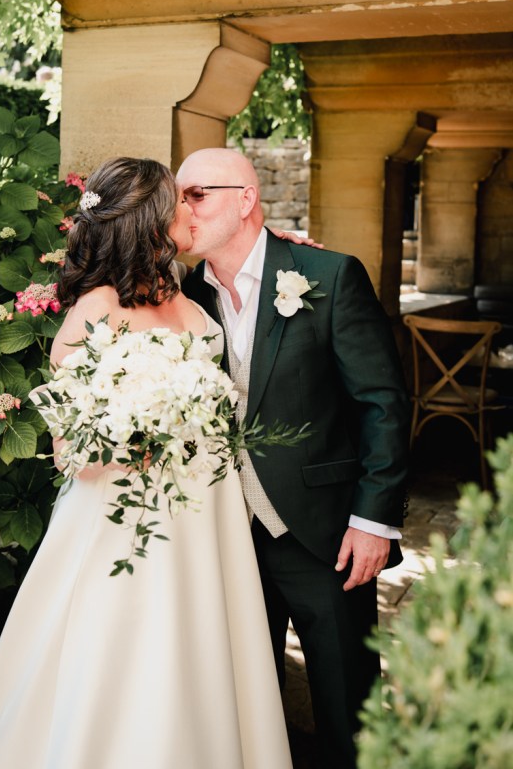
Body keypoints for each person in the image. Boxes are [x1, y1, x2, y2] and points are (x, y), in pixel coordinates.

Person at [0, 157, 293, 769]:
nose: (189, 210)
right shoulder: (96, 308)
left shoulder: (188, 297)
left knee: (203, 640)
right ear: (152, 222)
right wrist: (133, 434)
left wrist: (287, 252)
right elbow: (69, 443)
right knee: (130, 645)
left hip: (206, 510)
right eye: (179, 202)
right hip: (128, 515)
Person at [177, 148, 410, 769]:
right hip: (225, 535)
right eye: (180, 196)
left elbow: (382, 404)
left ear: (246, 199)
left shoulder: (328, 276)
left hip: (323, 533)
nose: (183, 208)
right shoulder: (184, 296)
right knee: (247, 709)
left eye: (196, 193)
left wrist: (373, 521)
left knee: (346, 704)